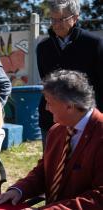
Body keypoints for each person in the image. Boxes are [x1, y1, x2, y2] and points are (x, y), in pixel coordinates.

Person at [0, 70, 103, 209]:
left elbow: (99, 197)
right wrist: (19, 190)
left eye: (49, 102)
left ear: (69, 106)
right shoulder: (57, 131)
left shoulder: (99, 133)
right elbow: (44, 171)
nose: (46, 108)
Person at [36, 0, 103, 149]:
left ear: (75, 17)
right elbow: (46, 81)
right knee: (51, 162)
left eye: (61, 19)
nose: (56, 24)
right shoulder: (43, 48)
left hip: (85, 118)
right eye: (53, 19)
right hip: (51, 118)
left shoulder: (93, 44)